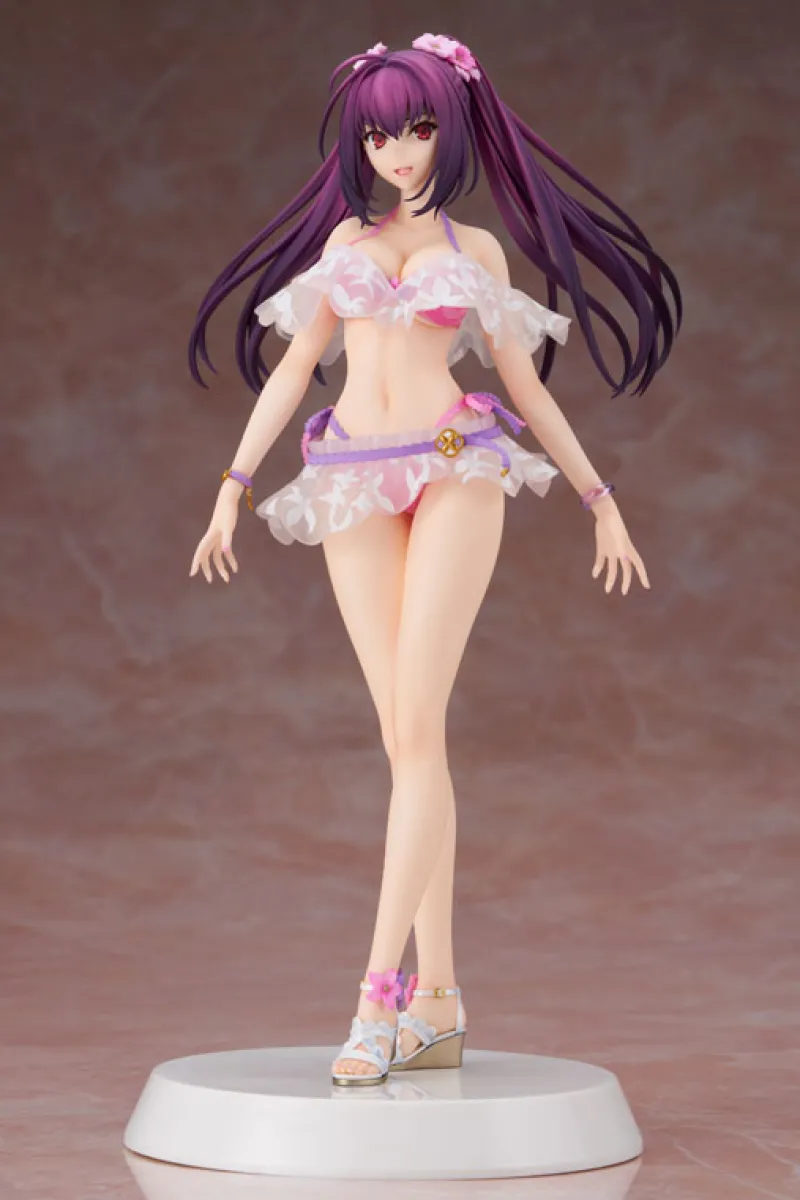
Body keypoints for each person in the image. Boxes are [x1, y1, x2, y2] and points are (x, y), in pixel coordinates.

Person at [188, 34, 681, 1086]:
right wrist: (232, 484)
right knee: (409, 742)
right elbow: (295, 371)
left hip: (457, 467)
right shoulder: (345, 242)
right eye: (378, 135)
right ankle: (442, 1004)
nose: (398, 152)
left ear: (449, 128)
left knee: (416, 734)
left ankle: (377, 999)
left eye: (416, 129)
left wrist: (598, 499)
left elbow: (526, 383)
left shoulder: (479, 252)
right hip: (351, 479)